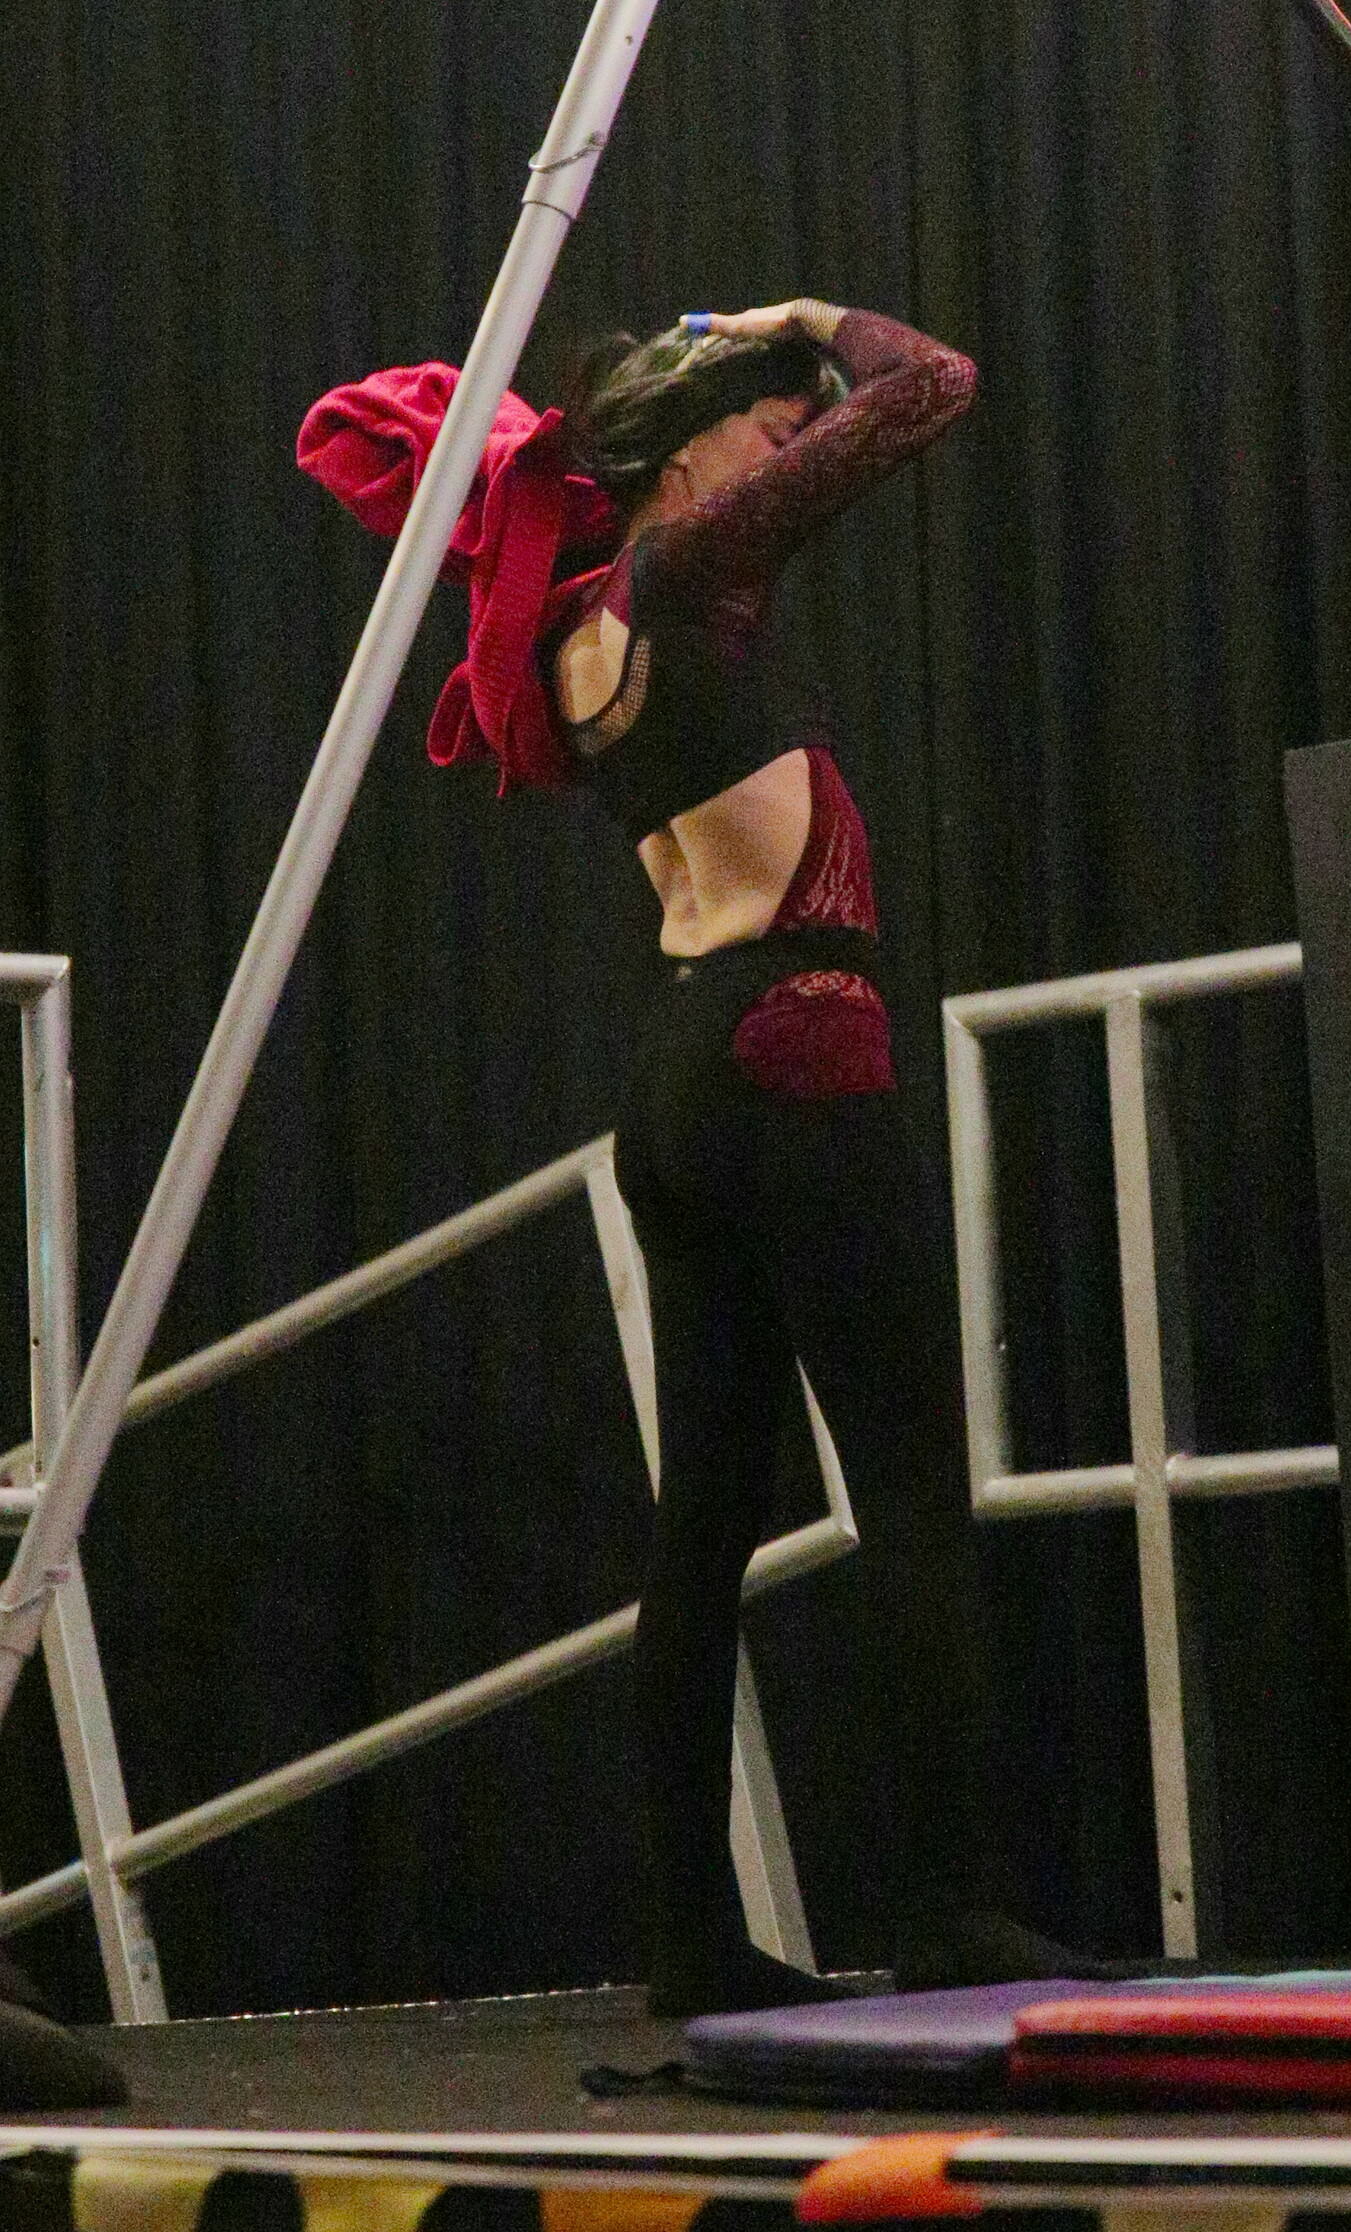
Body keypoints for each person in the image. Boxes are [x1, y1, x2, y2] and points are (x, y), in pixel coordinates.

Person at [301, 300, 1086, 2016]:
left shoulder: (577, 633)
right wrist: (806, 320)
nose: (792, 442)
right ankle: (950, 1907)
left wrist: (761, 370)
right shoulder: (684, 570)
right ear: (676, 456)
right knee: (912, 1491)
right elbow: (936, 386)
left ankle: (687, 1935)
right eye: (767, 424)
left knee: (705, 1527)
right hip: (797, 1039)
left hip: (682, 1077)